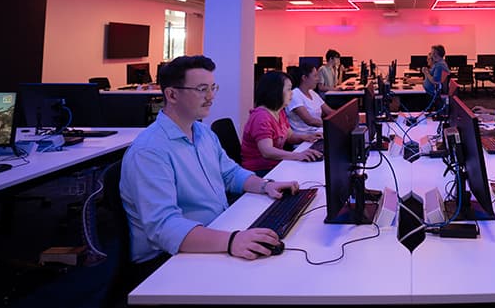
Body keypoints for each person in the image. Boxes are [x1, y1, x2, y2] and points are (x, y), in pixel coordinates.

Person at [120, 55, 299, 277]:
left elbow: (230, 173)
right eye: (202, 89)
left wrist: (265, 185)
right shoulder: (149, 151)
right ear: (172, 95)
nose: (211, 96)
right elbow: (164, 228)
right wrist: (232, 241)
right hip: (168, 259)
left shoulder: (203, 133)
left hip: (215, 231)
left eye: (213, 88)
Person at [241, 70, 323, 175]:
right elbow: (267, 151)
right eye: (288, 89)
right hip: (260, 171)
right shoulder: (261, 116)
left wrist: (307, 137)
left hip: (275, 165)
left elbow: (290, 136)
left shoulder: (279, 111)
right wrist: (298, 155)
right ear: (275, 91)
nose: (292, 93)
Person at [286, 63, 334, 134]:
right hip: (305, 137)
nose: (318, 79)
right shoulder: (295, 95)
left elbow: (329, 111)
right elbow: (310, 121)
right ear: (304, 78)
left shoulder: (312, 93)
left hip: (318, 132)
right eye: (315, 76)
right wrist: (333, 123)